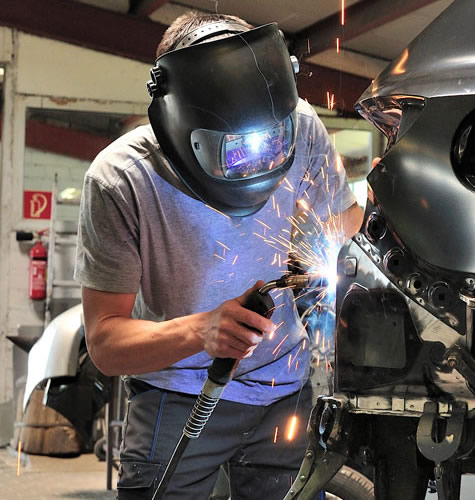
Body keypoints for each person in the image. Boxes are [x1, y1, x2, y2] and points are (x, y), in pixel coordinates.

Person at [75, 12, 363, 499]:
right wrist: (201, 331)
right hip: (178, 392)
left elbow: (345, 218)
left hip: (284, 390)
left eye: (273, 144)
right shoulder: (121, 178)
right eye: (236, 151)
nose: (261, 161)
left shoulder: (301, 124)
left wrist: (309, 256)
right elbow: (104, 345)